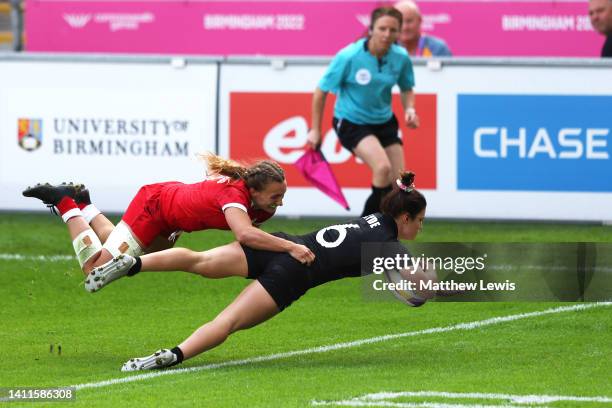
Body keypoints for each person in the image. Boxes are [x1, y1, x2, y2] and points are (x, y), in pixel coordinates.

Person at [89, 172, 435, 371]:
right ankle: (169, 356)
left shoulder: (373, 217)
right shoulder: (391, 246)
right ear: (404, 218)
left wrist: (402, 186)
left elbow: (396, 200)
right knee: (226, 323)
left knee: (199, 259)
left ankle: (133, 263)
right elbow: (423, 288)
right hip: (295, 272)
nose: (420, 228)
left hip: (281, 242)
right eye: (419, 221)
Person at [22, 153, 315, 287]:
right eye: (275, 197)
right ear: (253, 190)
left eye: (281, 196)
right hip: (155, 207)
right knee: (96, 270)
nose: (280, 202)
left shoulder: (262, 206)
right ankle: (65, 202)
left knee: (127, 261)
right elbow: (246, 236)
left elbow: (253, 238)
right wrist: (290, 247)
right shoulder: (235, 196)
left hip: (171, 219)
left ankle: (85, 203)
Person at [307, 6, 419, 217]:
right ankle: (366, 227)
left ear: (399, 32)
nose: (387, 35)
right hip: (351, 121)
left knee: (401, 184)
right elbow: (321, 92)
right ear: (371, 29)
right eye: (382, 28)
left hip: (384, 121)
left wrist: (410, 109)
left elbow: (406, 88)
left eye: (393, 30)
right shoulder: (349, 56)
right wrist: (315, 130)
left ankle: (382, 229)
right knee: (382, 168)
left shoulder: (401, 57)